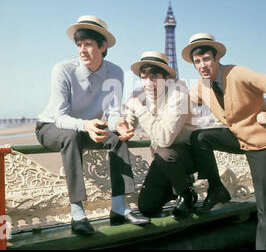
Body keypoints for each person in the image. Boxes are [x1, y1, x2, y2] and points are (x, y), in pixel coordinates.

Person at [36, 15, 149, 236]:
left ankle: (119, 207)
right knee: (71, 136)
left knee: (117, 139)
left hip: (88, 127)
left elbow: (114, 112)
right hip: (51, 126)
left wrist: (120, 124)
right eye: (79, 45)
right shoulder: (63, 69)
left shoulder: (115, 72)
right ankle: (77, 213)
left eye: (88, 44)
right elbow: (59, 116)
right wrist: (85, 125)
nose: (82, 50)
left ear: (103, 46)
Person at [182, 33, 266, 250]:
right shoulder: (201, 86)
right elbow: (179, 104)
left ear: (216, 58)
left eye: (206, 59)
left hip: (260, 142)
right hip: (236, 138)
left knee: (265, 207)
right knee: (200, 137)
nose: (202, 65)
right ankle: (216, 189)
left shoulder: (238, 73)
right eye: (197, 62)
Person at [125, 51, 197, 220]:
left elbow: (165, 138)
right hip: (163, 160)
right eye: (144, 77)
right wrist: (124, 122)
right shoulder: (143, 96)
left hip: (187, 156)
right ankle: (173, 189)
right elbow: (128, 124)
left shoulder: (179, 95)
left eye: (154, 77)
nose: (148, 83)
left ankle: (186, 194)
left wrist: (140, 109)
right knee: (146, 207)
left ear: (166, 78)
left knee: (163, 152)